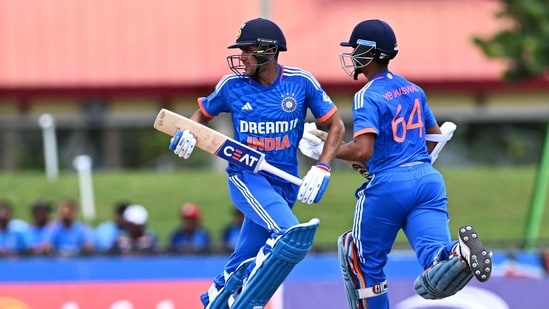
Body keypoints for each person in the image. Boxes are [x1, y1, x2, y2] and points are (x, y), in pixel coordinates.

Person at [300, 19, 492, 308]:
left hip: (389, 187)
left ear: (370, 53)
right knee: (435, 262)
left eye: (355, 50)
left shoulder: (367, 95)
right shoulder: (413, 89)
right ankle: (460, 254)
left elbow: (364, 149)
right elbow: (434, 137)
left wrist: (328, 150)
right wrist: (398, 161)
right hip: (427, 179)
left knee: (361, 263)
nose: (351, 56)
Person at [168, 17, 345, 308]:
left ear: (269, 51)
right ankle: (250, 286)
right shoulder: (231, 86)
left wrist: (323, 167)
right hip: (246, 175)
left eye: (247, 50)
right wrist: (188, 130)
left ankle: (218, 296)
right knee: (290, 234)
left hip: (286, 182)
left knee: (244, 256)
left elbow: (336, 126)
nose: (241, 57)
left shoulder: (301, 83)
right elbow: (200, 116)